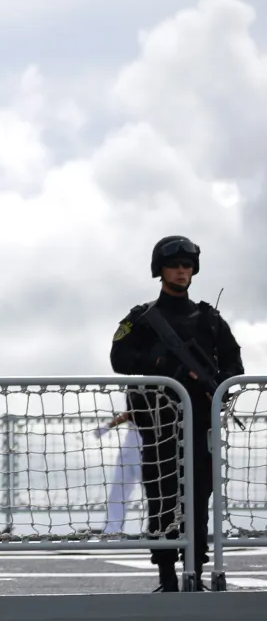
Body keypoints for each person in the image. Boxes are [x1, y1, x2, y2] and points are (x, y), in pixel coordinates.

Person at [110, 236, 243, 591]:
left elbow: (233, 363)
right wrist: (161, 364)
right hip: (158, 422)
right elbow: (119, 358)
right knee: (163, 494)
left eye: (187, 266)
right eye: (175, 266)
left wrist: (218, 384)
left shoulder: (209, 320)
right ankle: (167, 576)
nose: (182, 272)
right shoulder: (143, 319)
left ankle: (195, 572)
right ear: (161, 270)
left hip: (200, 421)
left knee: (200, 496)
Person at [95, 410, 142, 537]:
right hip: (132, 438)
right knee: (119, 489)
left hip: (144, 436)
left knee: (153, 487)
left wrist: (108, 426)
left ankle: (161, 527)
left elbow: (134, 411)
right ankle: (112, 530)